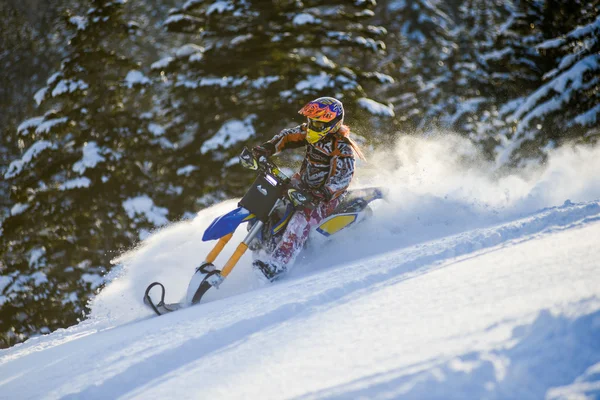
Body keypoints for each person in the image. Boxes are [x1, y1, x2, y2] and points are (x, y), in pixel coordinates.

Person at [251, 97, 365, 281]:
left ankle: (278, 264)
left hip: (324, 199)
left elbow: (342, 178)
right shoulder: (311, 131)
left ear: (333, 124)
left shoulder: (341, 147)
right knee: (269, 203)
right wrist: (267, 148)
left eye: (319, 123)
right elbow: (288, 136)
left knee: (299, 220)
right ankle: (260, 244)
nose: (313, 126)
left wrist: (323, 193)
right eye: (311, 121)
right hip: (301, 187)